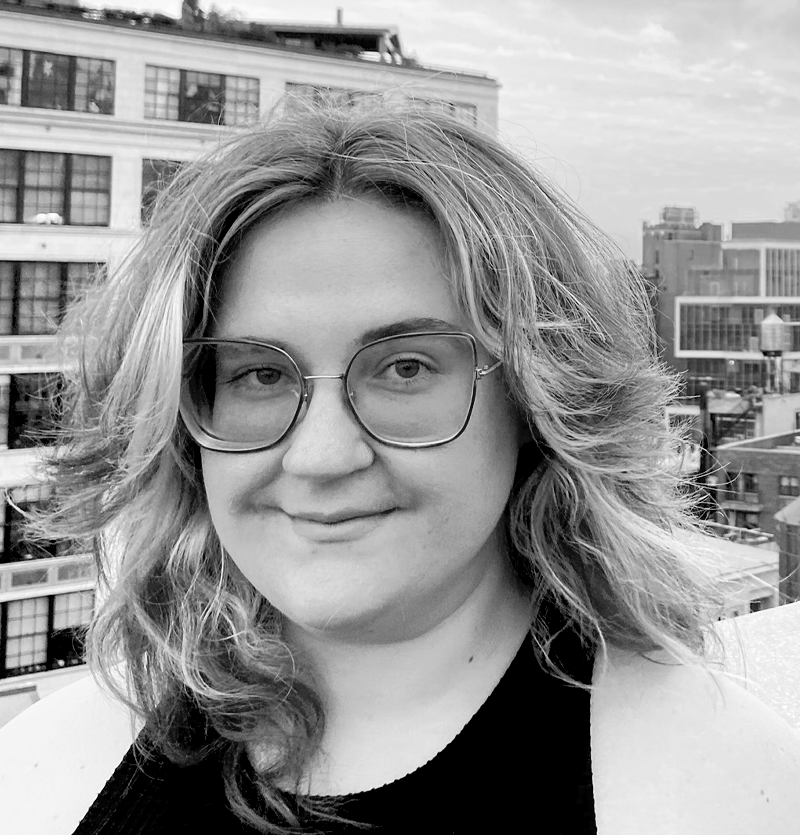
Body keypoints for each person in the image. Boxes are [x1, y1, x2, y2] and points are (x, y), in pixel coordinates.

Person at [1, 100, 799, 835]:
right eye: (259, 374)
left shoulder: (710, 791)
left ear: (536, 399)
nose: (320, 456)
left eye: (405, 368)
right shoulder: (50, 776)